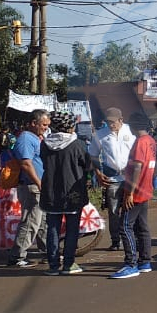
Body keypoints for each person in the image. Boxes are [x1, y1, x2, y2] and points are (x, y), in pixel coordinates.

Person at [40, 112, 97, 275]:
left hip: (50, 192)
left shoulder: (45, 144)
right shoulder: (78, 144)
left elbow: (44, 162)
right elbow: (88, 165)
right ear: (70, 127)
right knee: (72, 229)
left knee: (53, 229)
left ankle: (53, 265)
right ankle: (68, 264)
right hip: (73, 192)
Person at [110, 112, 157, 279]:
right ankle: (145, 261)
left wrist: (129, 193)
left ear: (134, 126)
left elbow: (137, 167)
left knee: (125, 226)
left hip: (136, 192)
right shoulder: (150, 141)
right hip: (145, 189)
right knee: (142, 226)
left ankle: (131, 264)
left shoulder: (140, 142)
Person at [6, 109, 51, 268]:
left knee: (42, 221)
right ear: (33, 123)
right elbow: (26, 163)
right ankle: (17, 256)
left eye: (47, 125)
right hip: (32, 186)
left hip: (38, 185)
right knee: (31, 221)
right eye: (44, 125)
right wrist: (39, 183)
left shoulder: (36, 138)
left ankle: (48, 252)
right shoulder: (26, 138)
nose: (46, 128)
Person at [89, 107, 134, 251]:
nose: (111, 124)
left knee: (131, 208)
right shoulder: (100, 134)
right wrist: (97, 172)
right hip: (112, 178)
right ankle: (115, 240)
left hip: (130, 177)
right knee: (113, 211)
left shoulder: (131, 131)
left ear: (121, 120)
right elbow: (93, 155)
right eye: (108, 122)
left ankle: (131, 238)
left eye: (113, 122)